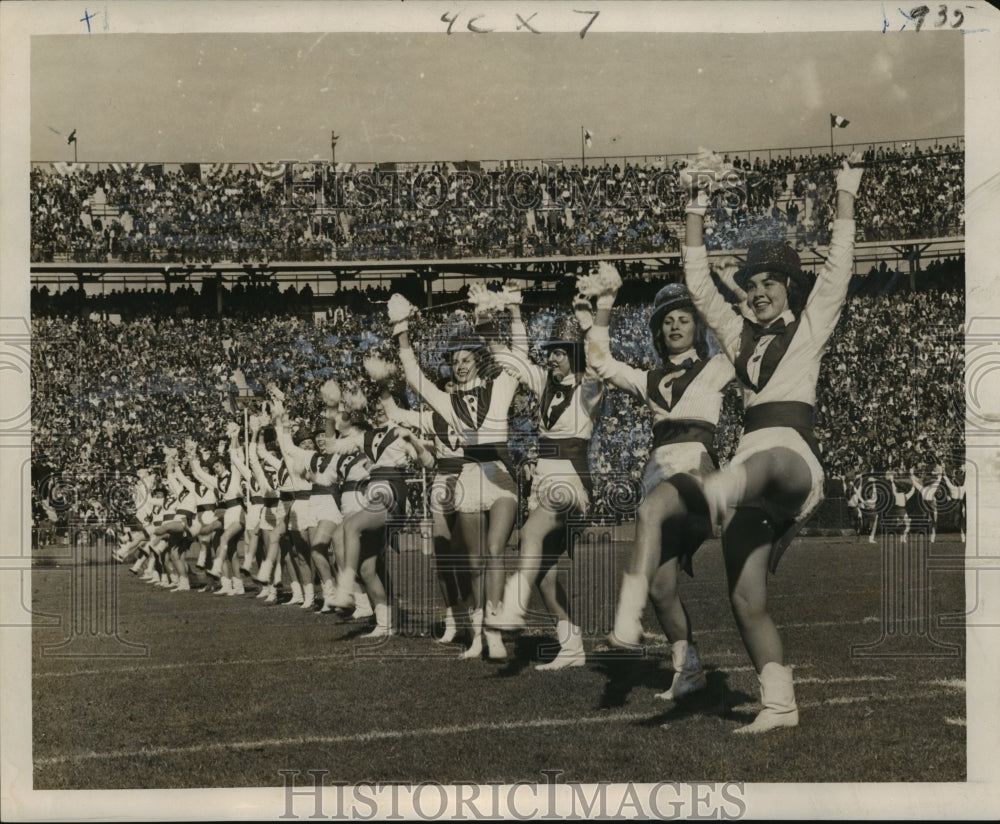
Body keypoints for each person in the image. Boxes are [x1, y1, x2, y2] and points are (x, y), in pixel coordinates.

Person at [648, 152, 864, 733]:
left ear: (791, 288)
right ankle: (778, 704)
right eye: (753, 284)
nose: (760, 291)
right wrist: (695, 202)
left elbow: (839, 269)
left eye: (771, 283)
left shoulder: (811, 324)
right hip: (746, 467)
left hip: (791, 458)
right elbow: (696, 281)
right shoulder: (738, 334)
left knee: (768, 460)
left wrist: (846, 191)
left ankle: (715, 494)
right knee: (744, 597)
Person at [588, 274, 735, 700]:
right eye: (667, 320)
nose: (674, 326)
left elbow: (750, 348)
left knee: (649, 512)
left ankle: (627, 621)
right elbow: (600, 361)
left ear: (697, 327)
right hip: (659, 477)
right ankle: (689, 671)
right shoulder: (648, 378)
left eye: (684, 319)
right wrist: (605, 304)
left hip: (697, 474)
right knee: (662, 588)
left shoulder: (717, 366)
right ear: (658, 330)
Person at [391, 293, 521, 660]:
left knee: (496, 552)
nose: (461, 366)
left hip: (500, 476)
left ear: (479, 360)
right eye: (455, 361)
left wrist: (495, 320)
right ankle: (479, 634)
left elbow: (515, 359)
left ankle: (493, 630)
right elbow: (414, 377)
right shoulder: (446, 403)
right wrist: (401, 331)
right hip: (466, 479)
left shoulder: (501, 386)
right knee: (474, 562)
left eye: (467, 359)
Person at [485, 302, 604, 670]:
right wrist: (488, 318)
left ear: (574, 356)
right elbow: (507, 358)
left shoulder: (588, 387)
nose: (551, 359)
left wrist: (593, 324)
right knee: (548, 577)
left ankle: (514, 604)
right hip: (544, 481)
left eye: (558, 353)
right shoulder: (543, 383)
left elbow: (600, 362)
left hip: (572, 479)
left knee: (530, 533)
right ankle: (571, 646)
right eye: (550, 351)